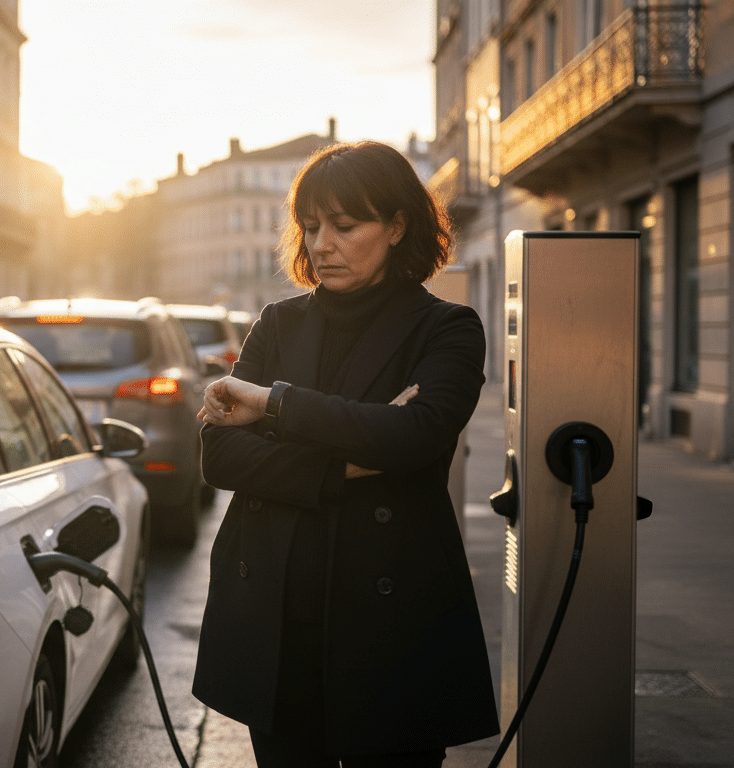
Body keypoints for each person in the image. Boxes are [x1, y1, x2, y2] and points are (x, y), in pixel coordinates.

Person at [192, 140, 499, 767]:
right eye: (311, 227)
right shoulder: (278, 322)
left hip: (393, 627)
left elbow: (414, 437)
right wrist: (344, 464)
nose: (321, 245)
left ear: (396, 226)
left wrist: (274, 405)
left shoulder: (446, 328)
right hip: (277, 620)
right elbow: (220, 454)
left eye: (344, 225)